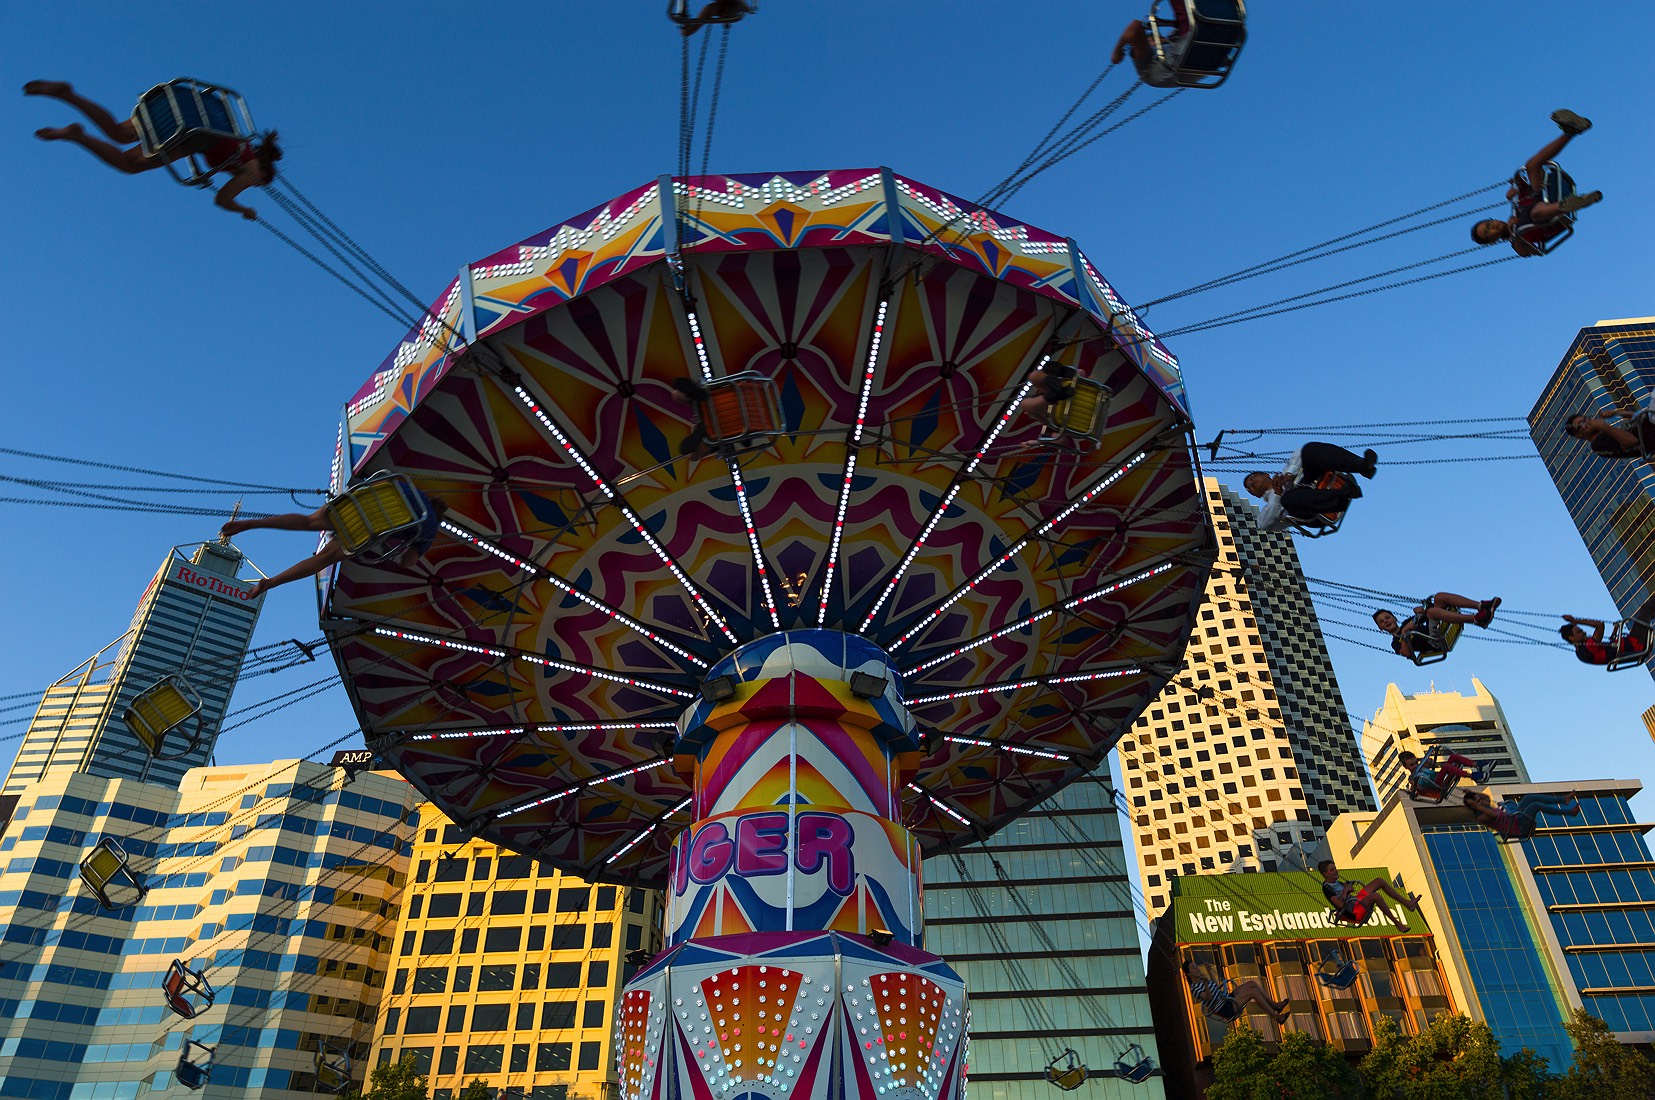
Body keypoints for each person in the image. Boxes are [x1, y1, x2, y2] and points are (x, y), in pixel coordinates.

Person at [24, 79, 280, 220]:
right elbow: (222, 199)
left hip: (181, 109)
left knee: (118, 132)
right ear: (263, 176)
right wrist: (245, 210)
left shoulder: (241, 145)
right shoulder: (251, 172)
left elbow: (217, 151)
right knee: (128, 164)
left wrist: (203, 175)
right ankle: (77, 136)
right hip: (190, 135)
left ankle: (69, 95)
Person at [220, 490, 446, 599]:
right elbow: (408, 561)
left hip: (350, 507)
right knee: (321, 560)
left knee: (308, 521)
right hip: (363, 532)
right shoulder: (429, 528)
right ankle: (271, 583)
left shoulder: (408, 488)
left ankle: (252, 524)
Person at [1471, 110, 1602, 257]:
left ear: (1492, 219)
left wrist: (1516, 185)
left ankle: (1572, 130)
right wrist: (1513, 231)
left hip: (1548, 192)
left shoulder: (1516, 207)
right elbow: (1526, 253)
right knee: (1536, 212)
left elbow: (1527, 187)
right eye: (1488, 233)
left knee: (1531, 165)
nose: (1492, 228)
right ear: (1493, 241)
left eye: (1488, 225)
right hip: (1549, 219)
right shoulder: (1517, 240)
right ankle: (1571, 204)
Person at [1243, 443, 1378, 532]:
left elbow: (1299, 453)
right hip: (1311, 512)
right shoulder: (1267, 509)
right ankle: (1341, 496)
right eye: (1249, 488)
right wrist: (1278, 495)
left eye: (1252, 478)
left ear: (1265, 474)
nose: (1250, 484)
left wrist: (1289, 475)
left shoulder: (1285, 473)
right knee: (1288, 500)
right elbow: (1264, 525)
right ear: (1256, 495)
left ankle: (1362, 466)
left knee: (1309, 450)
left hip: (1313, 482)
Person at [1372, 593, 1501, 661]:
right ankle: (1477, 620)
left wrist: (1421, 610)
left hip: (1438, 629)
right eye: (1382, 622)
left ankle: (1481, 606)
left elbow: (1425, 613)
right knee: (1432, 613)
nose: (1386, 621)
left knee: (1439, 597)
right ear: (1381, 628)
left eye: (1387, 618)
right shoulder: (1395, 643)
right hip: (1433, 642)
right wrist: (1405, 634)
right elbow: (1407, 653)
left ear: (1394, 618)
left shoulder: (1407, 622)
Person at [1318, 860, 1419, 933]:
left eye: (1335, 868)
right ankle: (1398, 924)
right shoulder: (1327, 888)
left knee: (1379, 881)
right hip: (1353, 910)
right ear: (1326, 874)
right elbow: (1340, 904)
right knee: (1375, 896)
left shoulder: (1337, 882)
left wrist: (1349, 888)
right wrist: (1345, 891)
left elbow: (1348, 891)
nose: (1336, 871)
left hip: (1356, 902)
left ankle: (1408, 903)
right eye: (1332, 870)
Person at [1180, 959, 1290, 1025]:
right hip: (1225, 1007)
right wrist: (1205, 983)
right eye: (1194, 969)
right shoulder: (1195, 988)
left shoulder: (1203, 980)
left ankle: (1276, 1005)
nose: (1198, 969)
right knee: (1252, 992)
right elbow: (1208, 997)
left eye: (1197, 967)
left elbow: (1215, 986)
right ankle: (1277, 1017)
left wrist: (1209, 972)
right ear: (1189, 974)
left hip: (1226, 998)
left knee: (1252, 984)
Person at [1111, 6, 1190, 88]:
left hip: (1192, 50)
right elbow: (1134, 27)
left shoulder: (1172, 40)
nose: (1154, 39)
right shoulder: (1150, 61)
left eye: (1154, 37)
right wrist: (1117, 51)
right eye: (1150, 39)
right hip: (1172, 65)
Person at [1463, 789, 1580, 841]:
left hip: (1516, 818)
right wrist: (1478, 806)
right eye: (1479, 802)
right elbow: (1493, 816)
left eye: (1480, 800)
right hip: (1518, 827)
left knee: (1529, 797)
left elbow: (1486, 798)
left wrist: (1472, 793)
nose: (1482, 802)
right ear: (1475, 806)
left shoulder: (1485, 806)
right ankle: (1570, 812)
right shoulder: (1481, 817)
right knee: (1535, 805)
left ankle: (1563, 799)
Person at [1561, 610, 1652, 667]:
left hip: (1632, 643)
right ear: (1572, 638)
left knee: (1646, 612)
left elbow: (1608, 651)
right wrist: (1576, 621)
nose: (1584, 632)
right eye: (1579, 632)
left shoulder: (1581, 652)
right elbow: (1600, 625)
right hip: (1637, 645)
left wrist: (1614, 631)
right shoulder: (1588, 647)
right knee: (1646, 610)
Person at [1564, 408, 1655, 462]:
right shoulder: (1598, 445)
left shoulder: (1610, 432)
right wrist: (1603, 426)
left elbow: (1637, 418)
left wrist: (1617, 413)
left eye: (1585, 419)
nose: (1586, 422)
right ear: (1579, 435)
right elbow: (1632, 441)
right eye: (1580, 424)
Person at [1397, 749, 1488, 801]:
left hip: (1441, 777)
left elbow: (1432, 763)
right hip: (1436, 785)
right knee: (1446, 767)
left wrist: (1422, 760)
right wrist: (1415, 785)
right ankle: (1474, 776)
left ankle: (1478, 766)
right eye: (1412, 765)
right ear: (1406, 767)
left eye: (1416, 762)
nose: (1415, 766)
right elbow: (1421, 789)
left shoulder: (1422, 766)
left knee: (1453, 757)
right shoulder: (1412, 778)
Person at [1019, 363, 1078, 427]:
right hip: (1071, 396)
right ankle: (1055, 392)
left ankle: (1054, 393)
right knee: (1034, 376)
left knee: (1024, 404)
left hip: (1063, 413)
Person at [677, 0, 752, 36]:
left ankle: (729, 11)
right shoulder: (713, 9)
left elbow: (686, 32)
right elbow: (686, 32)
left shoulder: (712, 9)